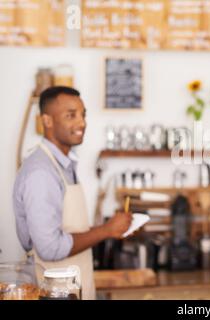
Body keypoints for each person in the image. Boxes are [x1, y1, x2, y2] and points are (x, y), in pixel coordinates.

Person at [13, 86, 132, 300]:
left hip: (72, 290)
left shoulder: (64, 165)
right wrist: (107, 230)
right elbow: (50, 248)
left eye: (83, 114)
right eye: (71, 115)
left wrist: (113, 228)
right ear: (47, 121)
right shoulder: (41, 172)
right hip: (53, 293)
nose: (82, 122)